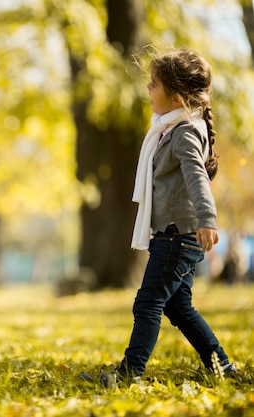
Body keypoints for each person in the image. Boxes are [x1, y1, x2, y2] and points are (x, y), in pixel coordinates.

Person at [86, 48, 238, 387]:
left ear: (178, 94)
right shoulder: (169, 128)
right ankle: (223, 367)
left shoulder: (185, 131)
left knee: (148, 302)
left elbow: (197, 176)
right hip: (171, 234)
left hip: (177, 235)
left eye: (154, 84)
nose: (148, 89)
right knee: (178, 307)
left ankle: (130, 373)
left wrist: (207, 218)